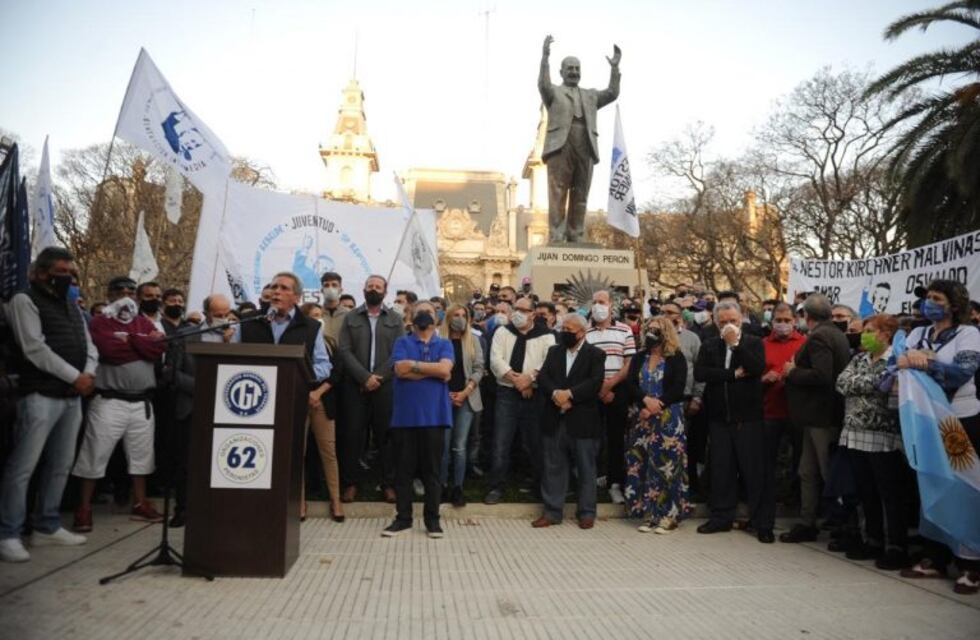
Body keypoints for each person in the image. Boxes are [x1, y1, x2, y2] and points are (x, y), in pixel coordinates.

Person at [0, 248, 95, 562]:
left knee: (61, 464)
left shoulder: (69, 304)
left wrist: (88, 373)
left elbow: (88, 344)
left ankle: (47, 525)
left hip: (71, 397)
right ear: (40, 273)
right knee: (23, 467)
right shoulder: (24, 300)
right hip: (40, 395)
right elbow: (34, 348)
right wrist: (75, 376)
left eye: (70, 272)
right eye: (60, 272)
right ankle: (8, 532)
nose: (66, 278)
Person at [899, 280, 980, 594]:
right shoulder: (917, 333)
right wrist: (908, 360)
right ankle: (935, 555)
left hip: (958, 420)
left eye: (937, 298)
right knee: (931, 482)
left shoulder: (968, 334)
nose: (929, 303)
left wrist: (926, 363)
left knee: (964, 485)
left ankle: (971, 562)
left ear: (954, 305)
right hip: (926, 421)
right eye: (927, 298)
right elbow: (897, 364)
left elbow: (962, 372)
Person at [71, 276, 168, 532]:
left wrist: (131, 339)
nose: (126, 295)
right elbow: (108, 350)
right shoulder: (101, 322)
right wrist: (142, 342)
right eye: (119, 291)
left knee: (142, 457)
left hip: (141, 401)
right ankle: (84, 507)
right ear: (110, 294)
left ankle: (140, 502)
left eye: (130, 291)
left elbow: (158, 349)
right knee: (94, 454)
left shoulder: (143, 322)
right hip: (110, 400)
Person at [835, 314, 909, 570]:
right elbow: (842, 383)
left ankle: (895, 545)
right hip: (856, 434)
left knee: (889, 493)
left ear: (886, 334)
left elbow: (889, 386)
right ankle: (873, 539)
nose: (864, 336)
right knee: (866, 491)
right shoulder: (859, 358)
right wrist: (875, 383)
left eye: (870, 331)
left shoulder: (895, 360)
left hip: (884, 436)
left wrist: (867, 383)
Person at [693, 301, 770, 542]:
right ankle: (721, 517)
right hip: (719, 418)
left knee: (754, 471)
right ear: (716, 322)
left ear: (741, 320)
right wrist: (731, 375)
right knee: (722, 469)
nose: (728, 325)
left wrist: (736, 345)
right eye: (724, 322)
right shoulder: (710, 345)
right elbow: (701, 373)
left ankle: (762, 522)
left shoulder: (753, 342)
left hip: (748, 419)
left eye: (733, 321)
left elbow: (756, 368)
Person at [780, 293, 853, 543]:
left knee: (827, 472)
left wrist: (792, 372)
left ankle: (843, 525)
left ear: (806, 315)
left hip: (822, 416)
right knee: (807, 471)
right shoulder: (835, 333)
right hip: (815, 417)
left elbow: (823, 375)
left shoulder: (820, 336)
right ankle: (807, 521)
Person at [538, 34, 620, 243]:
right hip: (561, 145)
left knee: (581, 192)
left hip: (585, 145)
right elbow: (543, 84)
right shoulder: (554, 92)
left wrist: (614, 68)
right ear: (561, 72)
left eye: (577, 69)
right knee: (558, 191)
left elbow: (612, 93)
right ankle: (557, 234)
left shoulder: (591, 95)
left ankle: (576, 233)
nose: (574, 72)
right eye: (570, 69)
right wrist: (545, 57)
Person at [383, 301, 454, 538]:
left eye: (429, 312)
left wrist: (414, 368)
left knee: (432, 472)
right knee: (403, 471)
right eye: (419, 312)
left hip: (434, 416)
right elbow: (399, 370)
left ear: (437, 317)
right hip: (405, 417)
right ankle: (403, 518)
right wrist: (432, 370)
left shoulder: (444, 344)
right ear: (411, 318)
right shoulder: (402, 342)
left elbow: (445, 371)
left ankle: (432, 520)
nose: (424, 315)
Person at [534, 313, 606, 528]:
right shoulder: (554, 351)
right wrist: (556, 394)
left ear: (582, 332)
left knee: (585, 468)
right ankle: (552, 512)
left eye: (569, 330)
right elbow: (543, 377)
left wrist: (570, 396)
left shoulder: (595, 354)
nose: (564, 333)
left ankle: (586, 512)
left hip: (582, 419)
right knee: (553, 466)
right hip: (555, 416)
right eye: (563, 328)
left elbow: (595, 382)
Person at [337, 275, 403, 503]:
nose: (373, 289)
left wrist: (378, 378)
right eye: (370, 286)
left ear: (385, 291)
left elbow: (399, 353)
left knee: (386, 437)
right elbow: (344, 350)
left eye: (378, 286)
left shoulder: (395, 319)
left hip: (385, 387)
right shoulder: (351, 317)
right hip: (356, 387)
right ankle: (351, 483)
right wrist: (364, 378)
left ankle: (388, 484)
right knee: (353, 436)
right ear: (364, 290)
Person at [485, 295, 556, 504]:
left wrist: (529, 379)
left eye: (523, 310)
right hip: (507, 392)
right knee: (501, 441)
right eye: (516, 308)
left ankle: (538, 486)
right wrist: (516, 380)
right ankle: (496, 486)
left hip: (534, 394)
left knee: (534, 442)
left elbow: (548, 361)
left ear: (533, 314)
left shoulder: (546, 335)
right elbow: (495, 359)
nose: (518, 313)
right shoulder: (502, 331)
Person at [622, 317, 689, 534]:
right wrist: (644, 402)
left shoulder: (676, 357)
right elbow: (630, 383)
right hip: (642, 417)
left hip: (668, 417)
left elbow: (678, 387)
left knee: (667, 465)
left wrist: (657, 404)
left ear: (666, 333)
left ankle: (669, 515)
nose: (652, 333)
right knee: (642, 463)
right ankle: (649, 513)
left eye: (657, 330)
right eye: (649, 329)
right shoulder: (640, 356)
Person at [585, 290, 637, 505]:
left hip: (617, 390)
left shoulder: (624, 330)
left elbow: (629, 363)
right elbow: (582, 364)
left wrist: (609, 385)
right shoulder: (585, 332)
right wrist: (599, 388)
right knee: (590, 438)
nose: (598, 305)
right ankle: (592, 478)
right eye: (595, 302)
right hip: (591, 392)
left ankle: (615, 482)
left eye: (602, 302)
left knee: (616, 438)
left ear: (611, 305)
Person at [437, 304, 484, 507]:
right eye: (456, 315)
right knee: (443, 446)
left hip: (467, 398)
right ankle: (441, 485)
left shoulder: (473, 340)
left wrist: (465, 392)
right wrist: (446, 393)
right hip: (442, 398)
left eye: (464, 315)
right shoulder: (438, 340)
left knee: (459, 446)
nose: (460, 318)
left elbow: (479, 368)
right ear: (448, 318)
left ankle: (458, 487)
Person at [761, 303, 807, 510]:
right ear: (772, 322)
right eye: (778, 320)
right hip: (770, 410)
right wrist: (764, 379)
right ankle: (769, 498)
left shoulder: (805, 343)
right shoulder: (762, 344)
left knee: (799, 458)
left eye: (787, 320)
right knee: (768, 458)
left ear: (795, 321)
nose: (783, 324)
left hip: (796, 411)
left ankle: (795, 497)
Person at [660, 301, 706, 494]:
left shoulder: (691, 338)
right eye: (662, 312)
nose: (665, 315)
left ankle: (689, 487)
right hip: (659, 402)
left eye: (670, 312)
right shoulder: (654, 338)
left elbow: (700, 369)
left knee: (688, 447)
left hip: (686, 399)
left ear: (679, 316)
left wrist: (697, 397)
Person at [319, 271, 349, 342]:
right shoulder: (317, 314)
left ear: (340, 290)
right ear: (322, 290)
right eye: (326, 285)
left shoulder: (349, 314)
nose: (330, 288)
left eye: (334, 285)